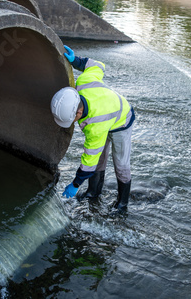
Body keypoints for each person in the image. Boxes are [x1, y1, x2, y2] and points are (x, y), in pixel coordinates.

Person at [50, 45, 135, 213]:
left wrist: (75, 184)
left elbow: (89, 159)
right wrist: (77, 61)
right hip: (107, 112)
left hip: (122, 120)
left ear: (79, 112)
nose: (72, 122)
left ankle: (122, 204)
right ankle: (93, 192)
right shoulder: (83, 82)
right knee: (100, 160)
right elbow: (97, 66)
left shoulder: (94, 127)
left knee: (121, 164)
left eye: (71, 119)